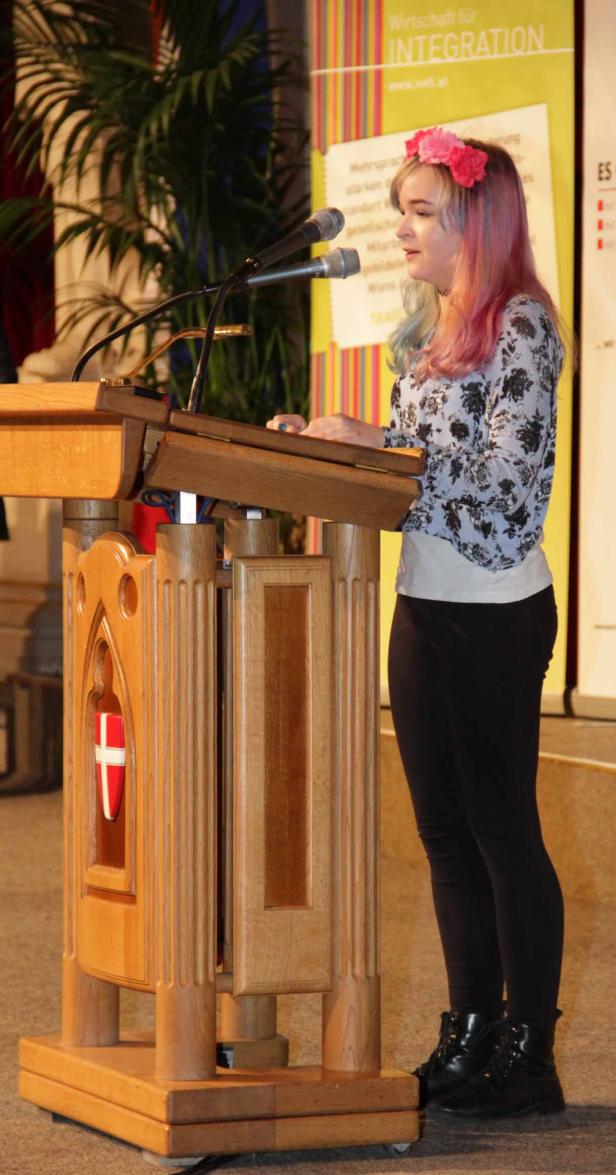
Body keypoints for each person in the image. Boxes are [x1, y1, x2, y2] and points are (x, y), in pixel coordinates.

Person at [268, 127, 567, 1121]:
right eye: (401, 209)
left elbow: (506, 499)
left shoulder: (522, 325)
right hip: (424, 607)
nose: (401, 228)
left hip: (494, 614)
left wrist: (383, 458)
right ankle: (471, 1027)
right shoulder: (426, 331)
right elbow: (409, 475)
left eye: (420, 211)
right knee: (443, 835)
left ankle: (530, 1052)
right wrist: (327, 452)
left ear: (475, 220)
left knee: (501, 831)